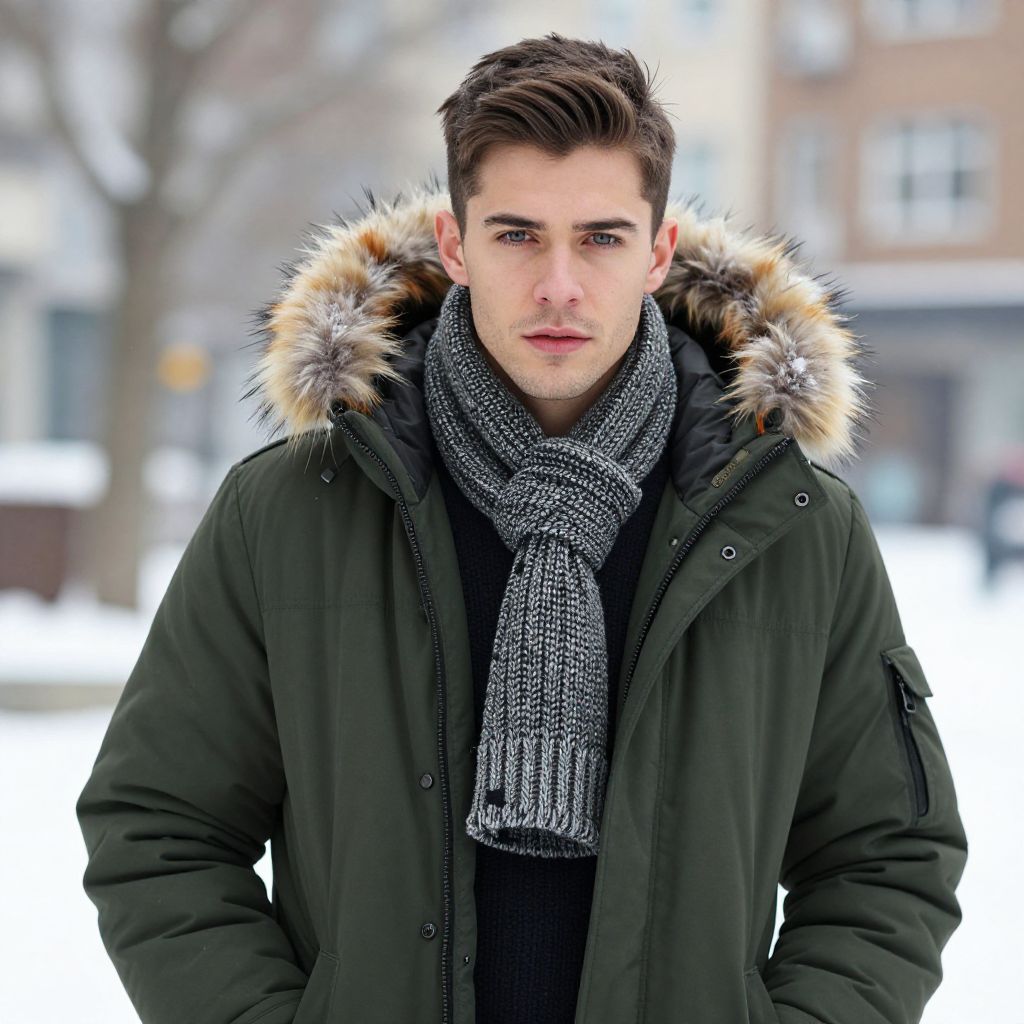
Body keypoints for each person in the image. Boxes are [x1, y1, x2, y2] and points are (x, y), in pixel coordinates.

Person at [76, 31, 968, 1024]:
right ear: (454, 244)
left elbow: (888, 857)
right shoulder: (290, 511)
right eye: (515, 235)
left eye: (599, 236)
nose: (557, 285)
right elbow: (158, 827)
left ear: (657, 249)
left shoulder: (792, 525)